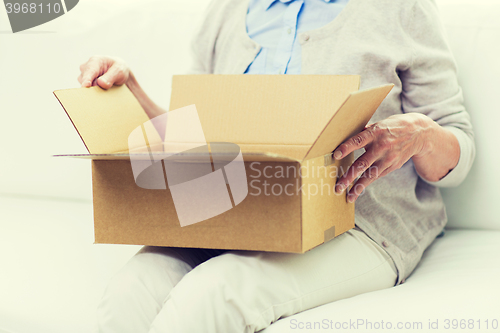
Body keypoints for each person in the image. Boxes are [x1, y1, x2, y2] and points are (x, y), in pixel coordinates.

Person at [78, 0, 475, 332]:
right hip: (227, 216)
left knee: (213, 293)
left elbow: (458, 145)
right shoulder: (226, 12)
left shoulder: (399, 8)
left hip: (361, 226)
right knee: (126, 294)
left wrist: (421, 133)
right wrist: (133, 94)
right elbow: (193, 137)